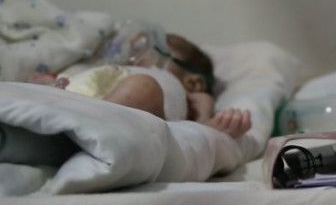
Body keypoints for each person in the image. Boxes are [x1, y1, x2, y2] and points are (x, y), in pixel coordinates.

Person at [30, 33, 251, 138]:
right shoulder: (122, 69)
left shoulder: (195, 96)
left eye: (149, 53)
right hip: (87, 100)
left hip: (133, 109)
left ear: (193, 82)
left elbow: (200, 129)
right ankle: (58, 105)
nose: (136, 58)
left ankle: (77, 130)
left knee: (142, 88)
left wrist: (210, 126)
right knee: (66, 83)